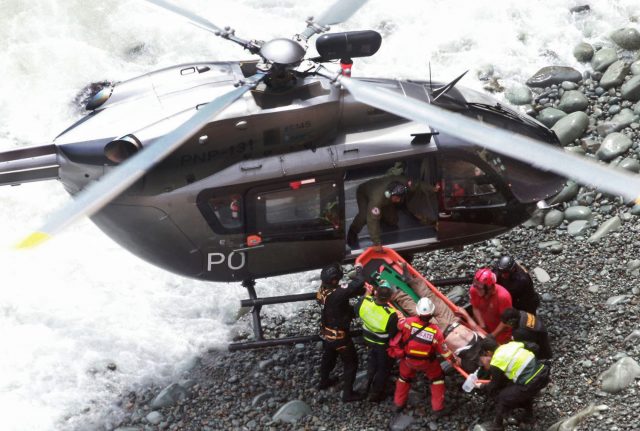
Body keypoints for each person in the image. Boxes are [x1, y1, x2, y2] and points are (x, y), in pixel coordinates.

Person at [393, 297, 453, 417]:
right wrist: (453, 360)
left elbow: (399, 326)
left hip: (408, 360)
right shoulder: (436, 332)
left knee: (403, 378)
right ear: (431, 314)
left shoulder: (408, 323)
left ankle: (398, 404)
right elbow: (444, 351)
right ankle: (438, 408)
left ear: (418, 312)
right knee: (437, 379)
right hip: (427, 363)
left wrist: (399, 315)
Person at [316, 262, 367, 402]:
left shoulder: (323, 290)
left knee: (329, 357)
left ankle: (324, 381)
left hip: (327, 333)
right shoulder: (338, 294)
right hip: (340, 337)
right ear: (334, 280)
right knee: (351, 363)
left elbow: (342, 293)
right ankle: (348, 394)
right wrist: (359, 268)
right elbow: (359, 281)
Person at [476, 336, 551, 430]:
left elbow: (495, 385)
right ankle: (528, 415)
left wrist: (481, 386)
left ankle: (497, 426)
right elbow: (534, 346)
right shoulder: (512, 344)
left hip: (530, 383)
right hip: (543, 373)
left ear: (488, 352)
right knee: (518, 388)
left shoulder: (496, 361)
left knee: (503, 397)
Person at [355, 281, 399, 402]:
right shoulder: (391, 314)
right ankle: (376, 393)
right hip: (382, 345)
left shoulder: (365, 302)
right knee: (383, 369)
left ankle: (366, 385)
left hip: (368, 339)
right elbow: (393, 333)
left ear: (376, 293)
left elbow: (357, 309)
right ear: (389, 298)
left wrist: (367, 294)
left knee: (372, 361)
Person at [470, 268, 513, 344]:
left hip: (501, 333)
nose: (476, 289)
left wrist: (492, 336)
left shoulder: (503, 297)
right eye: (475, 285)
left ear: (490, 288)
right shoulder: (474, 290)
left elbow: (506, 321)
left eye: (479, 288)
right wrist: (482, 326)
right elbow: (475, 307)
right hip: (486, 327)